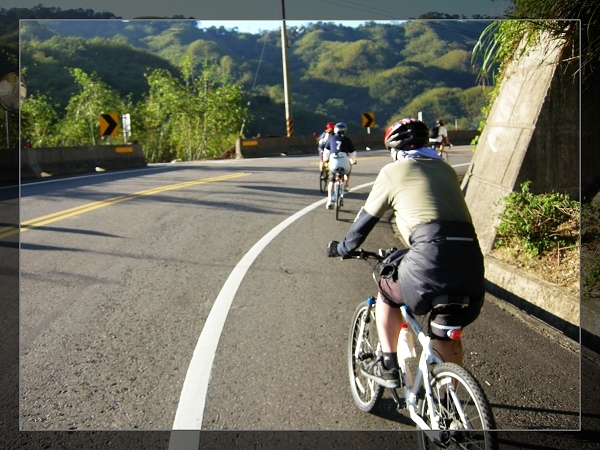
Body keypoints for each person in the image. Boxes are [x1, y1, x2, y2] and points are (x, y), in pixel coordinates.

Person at [327, 118, 484, 389]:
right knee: (447, 328)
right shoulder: (445, 170)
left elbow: (365, 220)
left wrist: (342, 248)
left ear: (395, 149)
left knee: (387, 288)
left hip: (428, 257)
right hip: (470, 261)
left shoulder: (393, 171)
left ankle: (388, 364)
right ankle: (450, 408)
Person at [321, 122, 357, 209]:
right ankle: (347, 185)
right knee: (348, 169)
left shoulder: (331, 138)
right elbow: (353, 153)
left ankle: (329, 200)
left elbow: (326, 151)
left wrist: (326, 160)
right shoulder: (347, 139)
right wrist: (353, 160)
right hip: (344, 163)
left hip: (333, 163)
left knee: (332, 181)